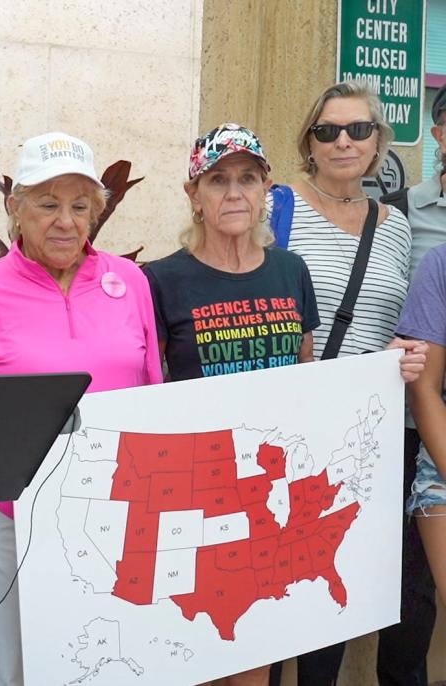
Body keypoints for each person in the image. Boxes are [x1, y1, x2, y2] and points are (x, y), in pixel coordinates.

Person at [0, 131, 163, 685]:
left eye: (80, 206)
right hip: (9, 512)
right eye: (48, 203)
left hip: (114, 507)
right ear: (15, 209)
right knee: (6, 666)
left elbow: (154, 388)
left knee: (109, 661)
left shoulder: (129, 283)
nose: (65, 220)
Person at [269, 80, 431, 686]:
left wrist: (404, 352)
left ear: (377, 142)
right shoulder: (274, 206)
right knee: (280, 588)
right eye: (328, 130)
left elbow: (401, 317)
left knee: (335, 585)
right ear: (309, 142)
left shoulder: (393, 225)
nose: (344, 141)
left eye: (358, 129)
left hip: (370, 436)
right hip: (293, 432)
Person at [144, 124, 318, 686]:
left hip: (274, 494)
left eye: (247, 177)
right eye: (217, 180)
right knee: (202, 646)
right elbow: (150, 386)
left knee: (259, 650)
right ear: (193, 194)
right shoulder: (162, 280)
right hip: (201, 497)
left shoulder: (291, 271)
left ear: (267, 188)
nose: (234, 192)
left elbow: (306, 375)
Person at [381, 82, 446, 686]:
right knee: (404, 581)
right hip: (405, 419)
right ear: (438, 132)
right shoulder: (401, 210)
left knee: (421, 588)